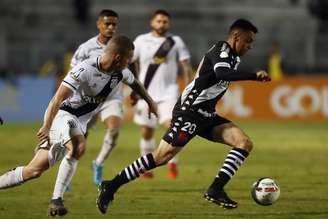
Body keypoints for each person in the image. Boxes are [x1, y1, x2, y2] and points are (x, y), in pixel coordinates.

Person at [96, 19, 271, 214]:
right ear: (236, 37)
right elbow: (223, 73)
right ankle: (111, 185)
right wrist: (254, 75)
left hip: (206, 114)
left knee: (244, 143)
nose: (250, 46)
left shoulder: (233, 58)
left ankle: (216, 189)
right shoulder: (222, 49)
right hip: (190, 111)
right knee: (161, 157)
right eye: (248, 41)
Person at [0, 35, 157, 217]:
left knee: (33, 171)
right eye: (129, 58)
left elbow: (136, 83)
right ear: (118, 57)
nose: (130, 62)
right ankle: (56, 199)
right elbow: (58, 99)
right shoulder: (85, 69)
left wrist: (150, 102)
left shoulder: (120, 73)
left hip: (78, 123)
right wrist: (46, 126)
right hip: (63, 116)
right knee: (79, 146)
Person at [130, 9, 193, 179]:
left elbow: (186, 66)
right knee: (147, 131)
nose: (161, 24)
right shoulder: (141, 41)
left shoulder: (175, 41)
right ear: (152, 22)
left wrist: (189, 90)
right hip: (146, 93)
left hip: (169, 93)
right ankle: (146, 168)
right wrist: (134, 88)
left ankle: (172, 163)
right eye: (158, 21)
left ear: (169, 24)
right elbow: (130, 62)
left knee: (173, 128)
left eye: (165, 21)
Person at [69, 9, 123, 185]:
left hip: (111, 98)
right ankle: (66, 175)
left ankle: (98, 164)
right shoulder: (86, 48)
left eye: (114, 24)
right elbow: (73, 73)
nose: (110, 27)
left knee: (114, 129)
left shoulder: (122, 46)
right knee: (78, 142)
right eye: (107, 24)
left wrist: (137, 92)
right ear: (99, 24)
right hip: (88, 100)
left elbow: (131, 68)